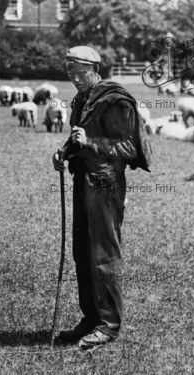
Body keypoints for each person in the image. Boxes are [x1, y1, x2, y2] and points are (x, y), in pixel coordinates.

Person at [52, 46, 152, 349]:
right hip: (83, 180)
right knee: (82, 252)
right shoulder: (82, 100)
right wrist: (65, 152)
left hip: (106, 185)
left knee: (103, 255)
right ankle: (91, 318)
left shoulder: (115, 101)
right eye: (69, 70)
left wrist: (92, 143)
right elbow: (77, 135)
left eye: (78, 70)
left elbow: (129, 148)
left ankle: (108, 325)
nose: (73, 76)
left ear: (94, 68)